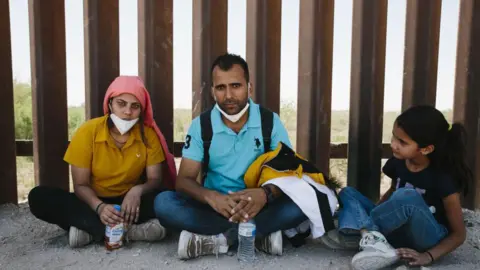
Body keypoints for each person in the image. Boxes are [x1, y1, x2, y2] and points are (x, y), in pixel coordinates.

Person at [154, 53, 308, 259]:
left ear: (249, 87)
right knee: (164, 204)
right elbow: (184, 181)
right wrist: (212, 197)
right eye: (221, 87)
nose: (228, 95)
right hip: (215, 207)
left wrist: (265, 195)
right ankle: (256, 236)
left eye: (236, 85)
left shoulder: (269, 121)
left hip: (259, 205)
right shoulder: (202, 125)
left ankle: (220, 239)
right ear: (212, 91)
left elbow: (288, 174)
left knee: (302, 203)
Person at [28, 75, 176, 248]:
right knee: (39, 197)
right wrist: (99, 208)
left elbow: (155, 179)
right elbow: (80, 185)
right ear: (110, 103)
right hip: (92, 201)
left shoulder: (148, 135)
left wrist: (136, 191)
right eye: (121, 103)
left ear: (141, 110)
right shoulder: (88, 131)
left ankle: (90, 230)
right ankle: (130, 232)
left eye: (135, 106)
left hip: (129, 204)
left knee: (166, 199)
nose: (127, 111)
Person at [322, 105, 471, 270]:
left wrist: (427, 256)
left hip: (427, 237)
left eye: (402, 142)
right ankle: (374, 240)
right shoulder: (399, 162)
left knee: (406, 196)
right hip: (398, 230)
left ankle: (363, 233)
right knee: (348, 193)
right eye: (394, 137)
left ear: (426, 149)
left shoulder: (443, 178)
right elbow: (392, 192)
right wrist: (374, 212)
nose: (393, 145)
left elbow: (459, 235)